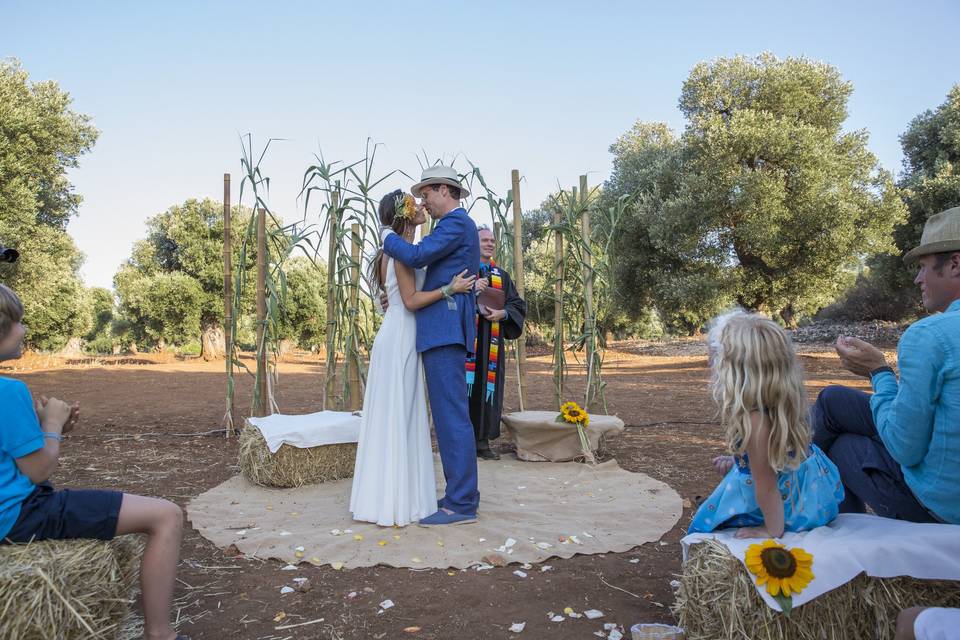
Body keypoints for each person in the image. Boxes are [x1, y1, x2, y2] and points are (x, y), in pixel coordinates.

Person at [0, 284, 188, 640]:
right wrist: (53, 426)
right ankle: (161, 635)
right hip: (18, 517)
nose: (24, 330)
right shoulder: (9, 391)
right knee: (167, 515)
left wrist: (47, 431)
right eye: (17, 321)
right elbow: (38, 470)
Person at [811, 206, 960, 524]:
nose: (918, 279)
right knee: (832, 399)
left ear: (955, 264)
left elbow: (905, 448)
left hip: (942, 508)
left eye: (923, 268)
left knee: (844, 447)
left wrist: (878, 372)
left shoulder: (930, 335)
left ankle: (822, 528)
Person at [350, 190, 475, 526]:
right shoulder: (402, 253)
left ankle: (393, 494)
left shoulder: (400, 251)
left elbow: (398, 291)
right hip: (402, 336)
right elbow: (409, 300)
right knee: (400, 415)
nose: (421, 204)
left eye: (425, 197)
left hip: (403, 334)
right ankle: (397, 496)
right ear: (404, 214)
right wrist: (451, 289)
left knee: (399, 415)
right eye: (413, 202)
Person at [381, 166, 481, 526]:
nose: (423, 200)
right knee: (448, 415)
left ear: (443, 190)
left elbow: (417, 256)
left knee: (451, 416)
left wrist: (385, 235)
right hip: (441, 328)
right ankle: (460, 495)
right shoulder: (453, 227)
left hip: (443, 328)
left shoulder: (456, 223)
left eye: (426, 193)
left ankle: (462, 503)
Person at [689, 310, 843, 537]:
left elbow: (767, 486)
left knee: (707, 524)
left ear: (736, 372)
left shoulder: (755, 422)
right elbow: (773, 457)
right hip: (809, 492)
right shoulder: (778, 403)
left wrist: (769, 531)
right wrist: (738, 461)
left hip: (792, 506)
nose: (711, 368)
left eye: (716, 362)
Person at [469, 225, 526, 460]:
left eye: (492, 240)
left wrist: (502, 314)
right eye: (484, 240)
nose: (490, 243)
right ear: (474, 243)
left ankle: (482, 443)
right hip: (467, 342)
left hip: (491, 342)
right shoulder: (464, 272)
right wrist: (472, 291)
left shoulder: (501, 276)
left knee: (487, 389)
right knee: (466, 389)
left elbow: (517, 305)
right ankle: (464, 442)